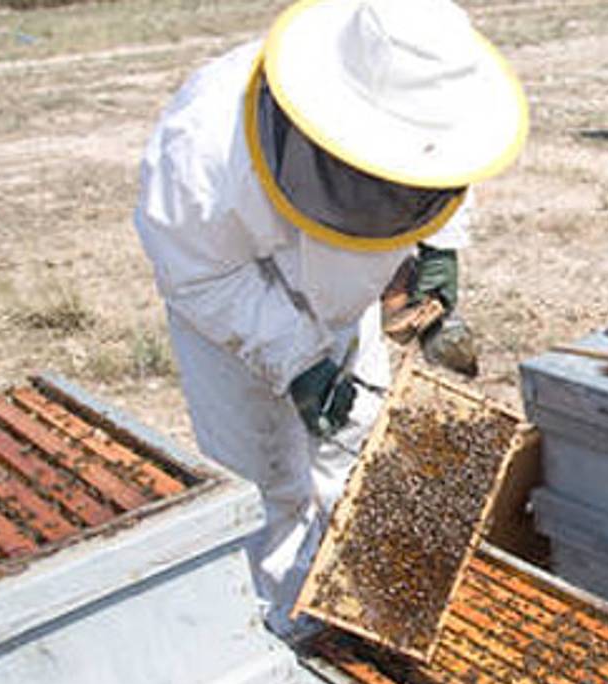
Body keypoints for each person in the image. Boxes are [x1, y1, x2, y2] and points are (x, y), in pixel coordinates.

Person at [133, 0, 528, 636]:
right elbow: (201, 274)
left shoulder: (437, 108)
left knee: (357, 446)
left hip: (348, 299)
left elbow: (442, 158)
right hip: (235, 317)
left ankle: (365, 611)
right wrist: (294, 358)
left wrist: (442, 244)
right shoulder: (202, 146)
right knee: (270, 485)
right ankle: (287, 629)